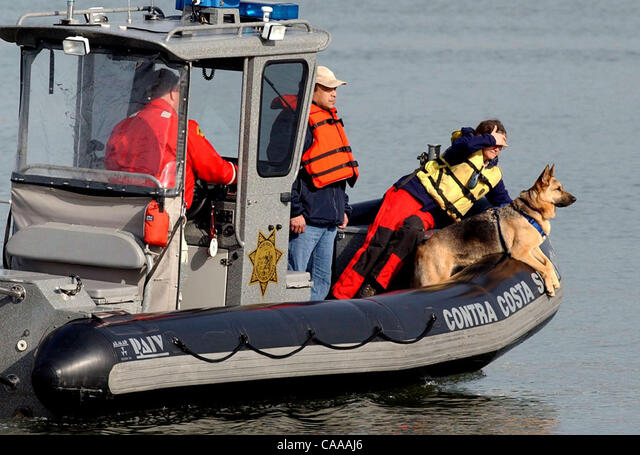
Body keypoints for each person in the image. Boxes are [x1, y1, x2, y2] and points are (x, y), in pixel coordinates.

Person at [331, 119, 511, 300]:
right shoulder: (463, 146)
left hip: (434, 213)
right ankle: (340, 295)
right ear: (482, 137)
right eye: (493, 142)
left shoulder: (494, 175)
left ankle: (374, 287)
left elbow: (504, 203)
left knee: (411, 232)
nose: (496, 148)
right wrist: (489, 138)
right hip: (413, 193)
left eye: (500, 145)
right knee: (378, 241)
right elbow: (465, 145)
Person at [105, 68, 237, 209]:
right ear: (173, 93)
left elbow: (110, 165)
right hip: (163, 213)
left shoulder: (122, 126)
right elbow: (214, 169)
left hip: (120, 207)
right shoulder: (183, 128)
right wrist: (237, 173)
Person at [288, 66, 359, 300]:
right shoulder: (301, 125)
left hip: (330, 221)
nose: (334, 93)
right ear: (312, 89)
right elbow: (288, 173)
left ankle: (312, 327)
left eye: (335, 89)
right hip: (307, 222)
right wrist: (294, 211)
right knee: (295, 278)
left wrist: (344, 209)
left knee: (322, 281)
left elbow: (338, 172)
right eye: (328, 88)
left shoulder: (331, 122)